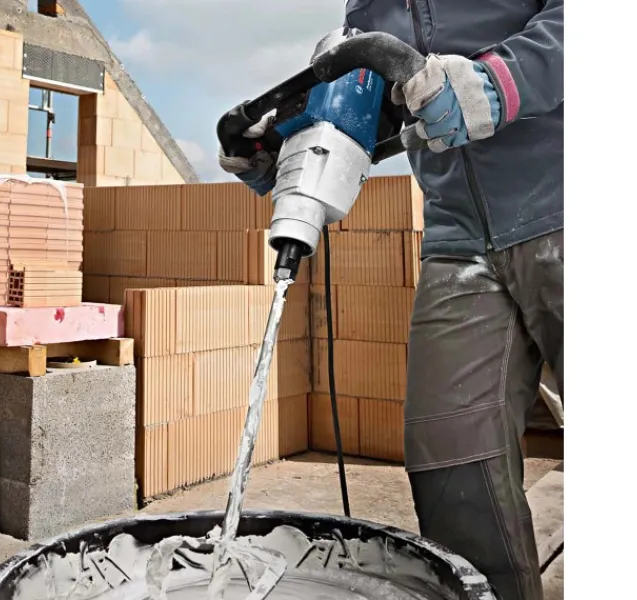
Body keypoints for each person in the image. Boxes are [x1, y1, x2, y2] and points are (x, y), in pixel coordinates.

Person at [218, 2, 563, 598]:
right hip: (457, 240)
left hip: (570, 199)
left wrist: (494, 83)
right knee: (452, 462)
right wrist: (282, 143)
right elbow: (382, 106)